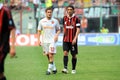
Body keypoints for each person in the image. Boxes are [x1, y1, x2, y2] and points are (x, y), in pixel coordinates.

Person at [37, 7, 60, 75]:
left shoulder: (55, 21)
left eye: (50, 12)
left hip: (52, 41)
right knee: (48, 55)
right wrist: (38, 40)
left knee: (50, 55)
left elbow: (58, 30)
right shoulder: (41, 21)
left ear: (52, 13)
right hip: (44, 41)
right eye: (48, 12)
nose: (49, 13)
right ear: (46, 13)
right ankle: (54, 68)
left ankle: (49, 70)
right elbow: (39, 31)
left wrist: (56, 35)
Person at [62, 5, 80, 74]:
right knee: (65, 53)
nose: (69, 11)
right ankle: (65, 68)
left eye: (70, 9)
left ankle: (73, 69)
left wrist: (75, 38)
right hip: (65, 40)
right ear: (66, 10)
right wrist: (63, 36)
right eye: (68, 9)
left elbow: (78, 30)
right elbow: (64, 28)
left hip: (73, 40)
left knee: (74, 55)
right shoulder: (64, 18)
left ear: (73, 10)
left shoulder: (77, 19)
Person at [0, 1, 16, 80]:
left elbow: (12, 28)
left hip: (2, 47)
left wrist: (13, 47)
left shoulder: (5, 11)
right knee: (1, 74)